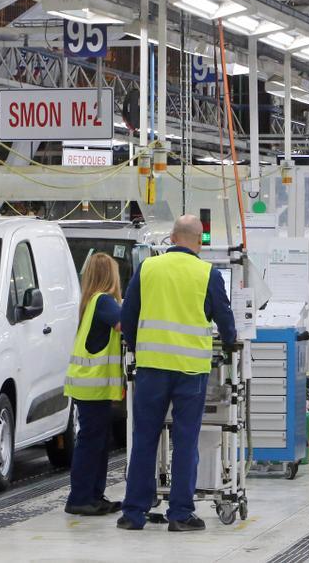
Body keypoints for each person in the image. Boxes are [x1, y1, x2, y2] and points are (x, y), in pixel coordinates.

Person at [117, 215, 237, 532]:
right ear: (199, 242)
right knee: (186, 441)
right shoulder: (207, 273)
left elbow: (128, 316)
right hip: (190, 372)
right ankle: (180, 514)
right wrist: (228, 344)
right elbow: (225, 319)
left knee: (144, 439)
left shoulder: (148, 268)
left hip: (152, 368)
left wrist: (137, 344)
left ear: (172, 238)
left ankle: (133, 514)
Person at [63, 253, 125, 516]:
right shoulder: (104, 301)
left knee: (98, 441)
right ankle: (79, 498)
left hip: (88, 384)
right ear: (110, 275)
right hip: (92, 385)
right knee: (91, 443)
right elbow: (125, 324)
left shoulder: (91, 300)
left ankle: (93, 495)